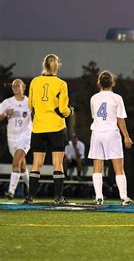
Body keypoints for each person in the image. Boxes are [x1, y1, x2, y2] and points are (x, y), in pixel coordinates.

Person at [24, 54, 73, 205]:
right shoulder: (61, 84)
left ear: (44, 64)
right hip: (56, 127)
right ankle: (58, 197)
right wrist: (70, 111)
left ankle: (30, 196)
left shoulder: (35, 81)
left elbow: (30, 105)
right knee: (57, 163)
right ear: (57, 65)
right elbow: (63, 109)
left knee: (36, 163)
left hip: (39, 127)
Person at [88, 71, 134, 206]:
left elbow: (94, 116)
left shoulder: (94, 98)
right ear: (112, 83)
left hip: (97, 133)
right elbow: (120, 119)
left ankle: (98, 197)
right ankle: (124, 197)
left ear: (99, 83)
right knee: (119, 168)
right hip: (111, 133)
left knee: (97, 166)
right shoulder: (117, 98)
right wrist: (126, 136)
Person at [0, 79, 31, 199]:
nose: (15, 88)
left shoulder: (29, 102)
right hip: (12, 138)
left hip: (25, 137)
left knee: (16, 162)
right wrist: (5, 114)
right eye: (13, 86)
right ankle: (30, 187)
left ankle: (11, 191)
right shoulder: (8, 102)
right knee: (22, 166)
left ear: (23, 87)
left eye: (18, 86)